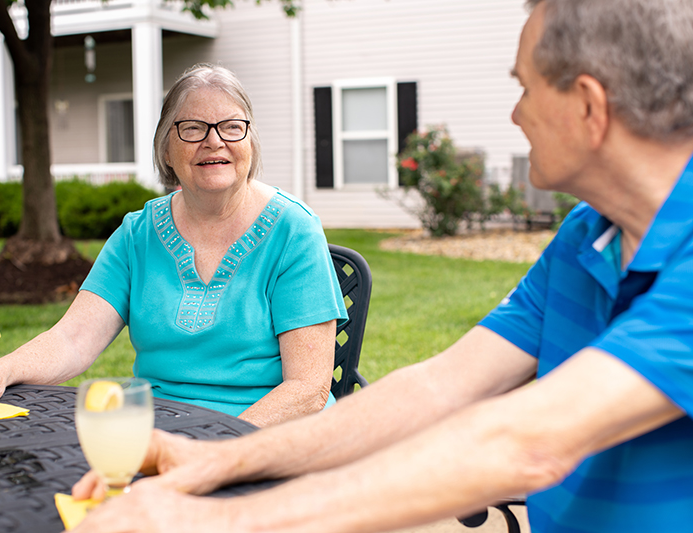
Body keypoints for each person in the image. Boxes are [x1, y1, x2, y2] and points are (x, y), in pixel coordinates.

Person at [67, 0, 693, 531]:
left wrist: (218, 519)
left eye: (525, 88)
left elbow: (524, 445)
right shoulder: (588, 234)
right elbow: (438, 387)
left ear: (587, 106)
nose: (515, 114)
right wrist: (216, 459)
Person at [0, 64, 348, 427]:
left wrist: (218, 447)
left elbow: (307, 388)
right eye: (193, 128)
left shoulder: (294, 231)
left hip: (267, 433)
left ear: (250, 142)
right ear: (166, 148)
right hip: (159, 429)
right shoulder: (138, 234)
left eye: (232, 127)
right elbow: (73, 339)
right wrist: (5, 368)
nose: (214, 141)